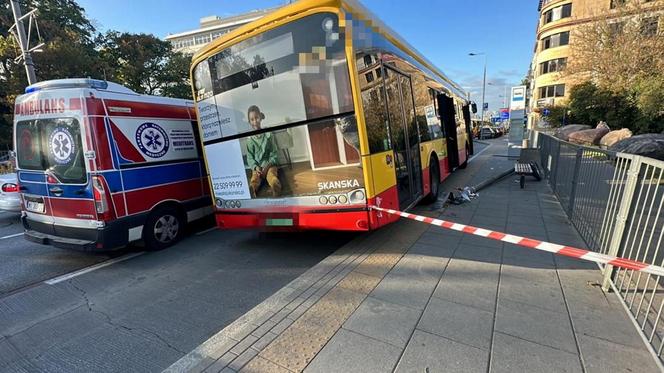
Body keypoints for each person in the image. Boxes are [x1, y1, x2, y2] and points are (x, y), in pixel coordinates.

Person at [246, 105, 281, 197]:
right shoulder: (249, 140)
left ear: (260, 118)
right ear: (249, 122)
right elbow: (250, 158)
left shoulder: (268, 135)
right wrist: (256, 168)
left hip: (269, 165)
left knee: (271, 175)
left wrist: (267, 166)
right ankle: (252, 188)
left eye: (256, 118)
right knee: (254, 178)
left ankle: (275, 185)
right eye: (252, 119)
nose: (255, 121)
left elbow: (274, 154)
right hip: (258, 167)